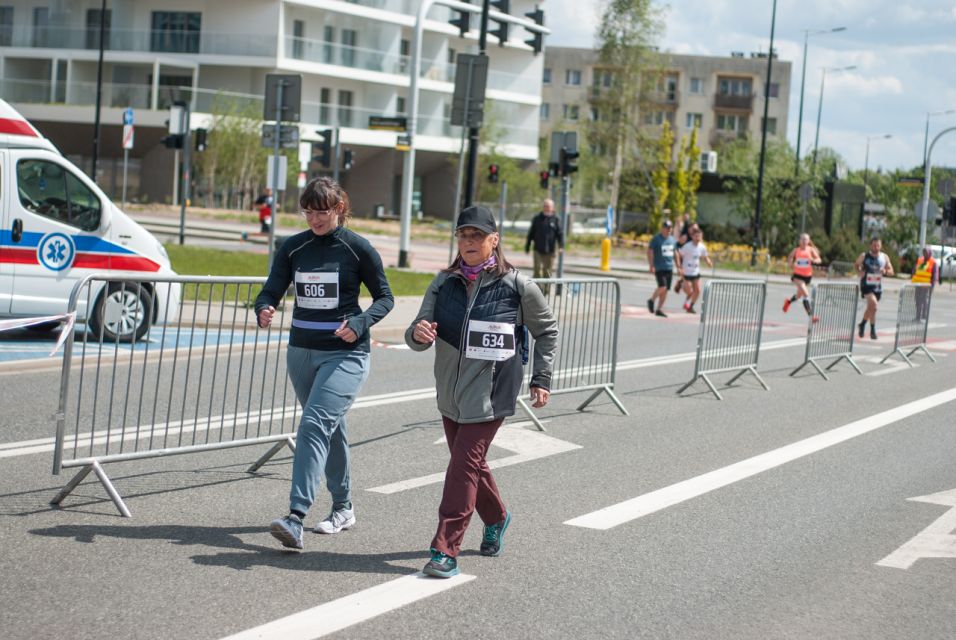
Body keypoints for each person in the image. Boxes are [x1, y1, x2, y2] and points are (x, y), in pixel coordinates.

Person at [406, 205, 558, 578]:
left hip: (492, 394)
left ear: (495, 240)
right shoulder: (444, 282)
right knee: (472, 464)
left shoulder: (518, 286)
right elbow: (417, 330)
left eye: (477, 235)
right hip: (450, 393)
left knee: (461, 468)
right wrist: (419, 333)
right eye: (463, 235)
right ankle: (498, 517)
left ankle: (445, 549)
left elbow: (547, 331)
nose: (469, 242)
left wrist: (541, 377)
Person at [256, 177, 394, 550]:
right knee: (329, 429)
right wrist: (264, 306)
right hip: (301, 351)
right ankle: (344, 507)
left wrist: (361, 322)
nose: (314, 219)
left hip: (345, 354)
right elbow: (272, 288)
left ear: (339, 209)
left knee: (314, 424)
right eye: (308, 211)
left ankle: (295, 516)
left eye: (321, 212)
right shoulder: (293, 247)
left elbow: (385, 298)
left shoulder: (357, 249)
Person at [855, 237, 894, 340]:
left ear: (880, 246)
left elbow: (891, 271)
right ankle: (872, 330)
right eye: (874, 245)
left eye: (878, 245)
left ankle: (863, 324)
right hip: (866, 285)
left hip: (877, 286)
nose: (876, 247)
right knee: (874, 305)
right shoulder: (864, 256)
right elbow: (856, 264)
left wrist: (885, 271)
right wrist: (860, 272)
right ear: (870, 245)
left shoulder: (884, 257)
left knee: (872, 308)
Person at [525, 198, 564, 285]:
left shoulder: (556, 219)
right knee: (537, 270)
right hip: (538, 249)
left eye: (548, 206)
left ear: (552, 207)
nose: (547, 208)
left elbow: (560, 234)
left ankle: (546, 291)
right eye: (545, 206)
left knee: (547, 272)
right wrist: (527, 246)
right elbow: (531, 233)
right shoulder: (537, 218)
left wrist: (561, 246)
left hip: (550, 250)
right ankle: (536, 290)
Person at [783, 233, 822, 320]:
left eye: (806, 239)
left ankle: (788, 302)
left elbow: (819, 259)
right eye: (802, 239)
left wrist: (814, 260)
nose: (804, 241)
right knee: (806, 294)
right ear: (799, 241)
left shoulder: (811, 250)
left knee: (798, 296)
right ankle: (811, 316)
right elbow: (790, 257)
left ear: (808, 241)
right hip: (797, 276)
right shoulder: (796, 250)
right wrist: (790, 263)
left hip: (807, 276)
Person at [646, 219, 679, 317]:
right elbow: (650, 251)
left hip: (669, 267)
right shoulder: (656, 239)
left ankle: (659, 309)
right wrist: (651, 265)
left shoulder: (672, 240)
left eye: (670, 228)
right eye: (666, 228)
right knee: (662, 286)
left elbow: (675, 253)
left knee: (665, 290)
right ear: (662, 229)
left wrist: (679, 266)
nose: (668, 230)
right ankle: (651, 300)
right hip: (659, 267)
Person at [678, 226, 712, 314]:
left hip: (695, 271)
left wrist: (708, 261)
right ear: (692, 236)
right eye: (696, 236)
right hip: (687, 272)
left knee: (698, 291)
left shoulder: (702, 247)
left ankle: (690, 306)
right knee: (690, 291)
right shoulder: (687, 246)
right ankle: (682, 284)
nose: (698, 238)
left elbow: (705, 255)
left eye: (699, 236)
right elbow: (679, 255)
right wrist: (679, 267)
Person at [911, 246, 939, 321]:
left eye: (926, 252)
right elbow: (914, 271)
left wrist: (932, 287)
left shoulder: (933, 263)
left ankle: (923, 316)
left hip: (927, 286)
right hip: (918, 285)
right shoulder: (920, 260)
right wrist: (913, 279)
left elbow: (935, 276)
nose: (924, 253)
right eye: (924, 252)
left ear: (929, 253)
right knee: (917, 300)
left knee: (924, 301)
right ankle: (918, 316)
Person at [673, 213, 694, 293]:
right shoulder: (679, 230)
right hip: (680, 252)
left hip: (684, 252)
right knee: (684, 271)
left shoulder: (685, 229)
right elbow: (678, 237)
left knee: (685, 273)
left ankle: (681, 283)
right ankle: (682, 284)